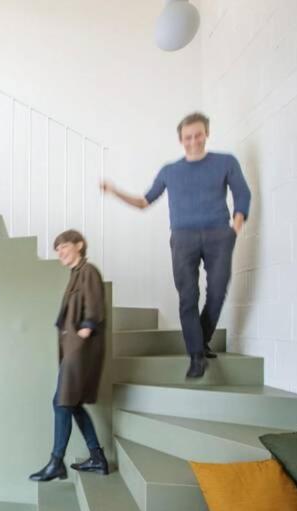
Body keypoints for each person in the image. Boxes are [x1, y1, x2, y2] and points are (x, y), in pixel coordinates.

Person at [101, 112, 251, 378]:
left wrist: (235, 228)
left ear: (206, 134)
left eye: (198, 135)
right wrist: (115, 191)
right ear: (181, 140)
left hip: (219, 234)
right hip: (183, 238)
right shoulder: (170, 171)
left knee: (217, 291)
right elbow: (144, 202)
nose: (193, 141)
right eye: (187, 137)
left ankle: (200, 341)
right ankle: (196, 355)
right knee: (188, 297)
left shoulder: (225, 162)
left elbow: (242, 193)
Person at [29, 230, 109, 482]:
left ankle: (56, 462)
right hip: (73, 348)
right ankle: (97, 457)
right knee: (70, 403)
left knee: (62, 402)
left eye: (64, 246)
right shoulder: (75, 275)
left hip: (80, 349)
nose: (60, 252)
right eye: (58, 249)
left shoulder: (89, 272)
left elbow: (94, 311)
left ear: (79, 245)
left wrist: (82, 334)